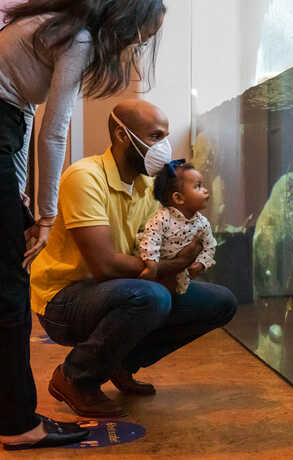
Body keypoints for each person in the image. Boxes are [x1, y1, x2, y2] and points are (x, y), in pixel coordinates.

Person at [0, 0, 166, 449]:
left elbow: (24, 112)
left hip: (7, 129)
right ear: (125, 19)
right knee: (8, 290)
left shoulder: (53, 26)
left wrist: (21, 194)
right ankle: (18, 424)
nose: (136, 44)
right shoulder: (79, 38)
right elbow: (54, 130)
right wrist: (46, 214)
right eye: (139, 35)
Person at [30, 99, 238, 419]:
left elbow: (153, 250)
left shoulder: (149, 186)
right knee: (151, 296)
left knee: (220, 301)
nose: (165, 147)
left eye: (166, 136)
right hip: (63, 299)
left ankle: (120, 363)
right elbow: (105, 266)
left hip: (121, 289)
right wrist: (172, 265)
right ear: (122, 134)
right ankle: (75, 377)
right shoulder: (84, 177)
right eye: (156, 137)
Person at [138, 159, 217, 294]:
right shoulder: (162, 218)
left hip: (178, 276)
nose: (205, 190)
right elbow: (150, 238)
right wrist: (151, 265)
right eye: (198, 186)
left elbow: (210, 245)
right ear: (179, 198)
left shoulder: (202, 223)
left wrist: (202, 263)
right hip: (153, 269)